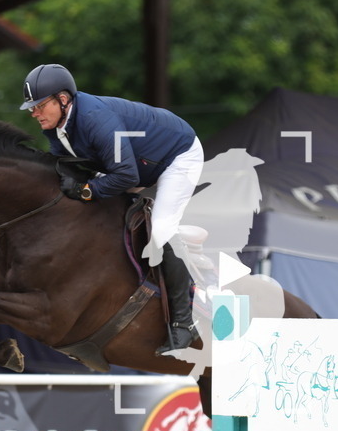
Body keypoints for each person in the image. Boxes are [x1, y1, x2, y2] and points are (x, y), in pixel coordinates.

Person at [19, 63, 203, 355]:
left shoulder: (94, 119)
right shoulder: (57, 127)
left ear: (63, 100)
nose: (34, 112)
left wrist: (88, 191)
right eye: (32, 107)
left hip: (177, 156)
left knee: (163, 230)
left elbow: (126, 177)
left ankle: (184, 323)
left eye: (40, 105)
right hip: (135, 162)